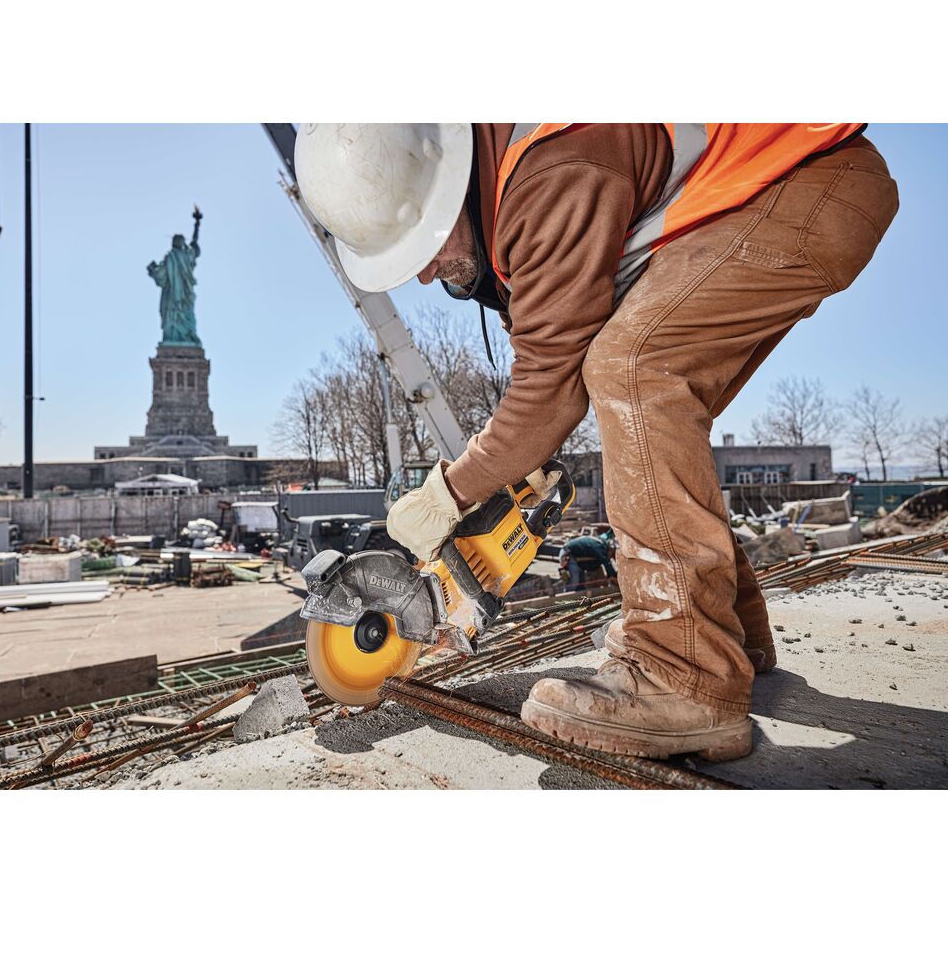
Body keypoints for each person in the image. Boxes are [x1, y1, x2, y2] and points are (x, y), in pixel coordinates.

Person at [295, 123, 898, 761]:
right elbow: (549, 372)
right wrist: (498, 469)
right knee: (640, 406)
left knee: (634, 370)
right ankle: (728, 637)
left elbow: (550, 392)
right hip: (760, 197)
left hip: (804, 180)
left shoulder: (549, 170)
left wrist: (450, 490)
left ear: (447, 184)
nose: (422, 275)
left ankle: (682, 675)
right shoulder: (513, 191)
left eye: (421, 245)